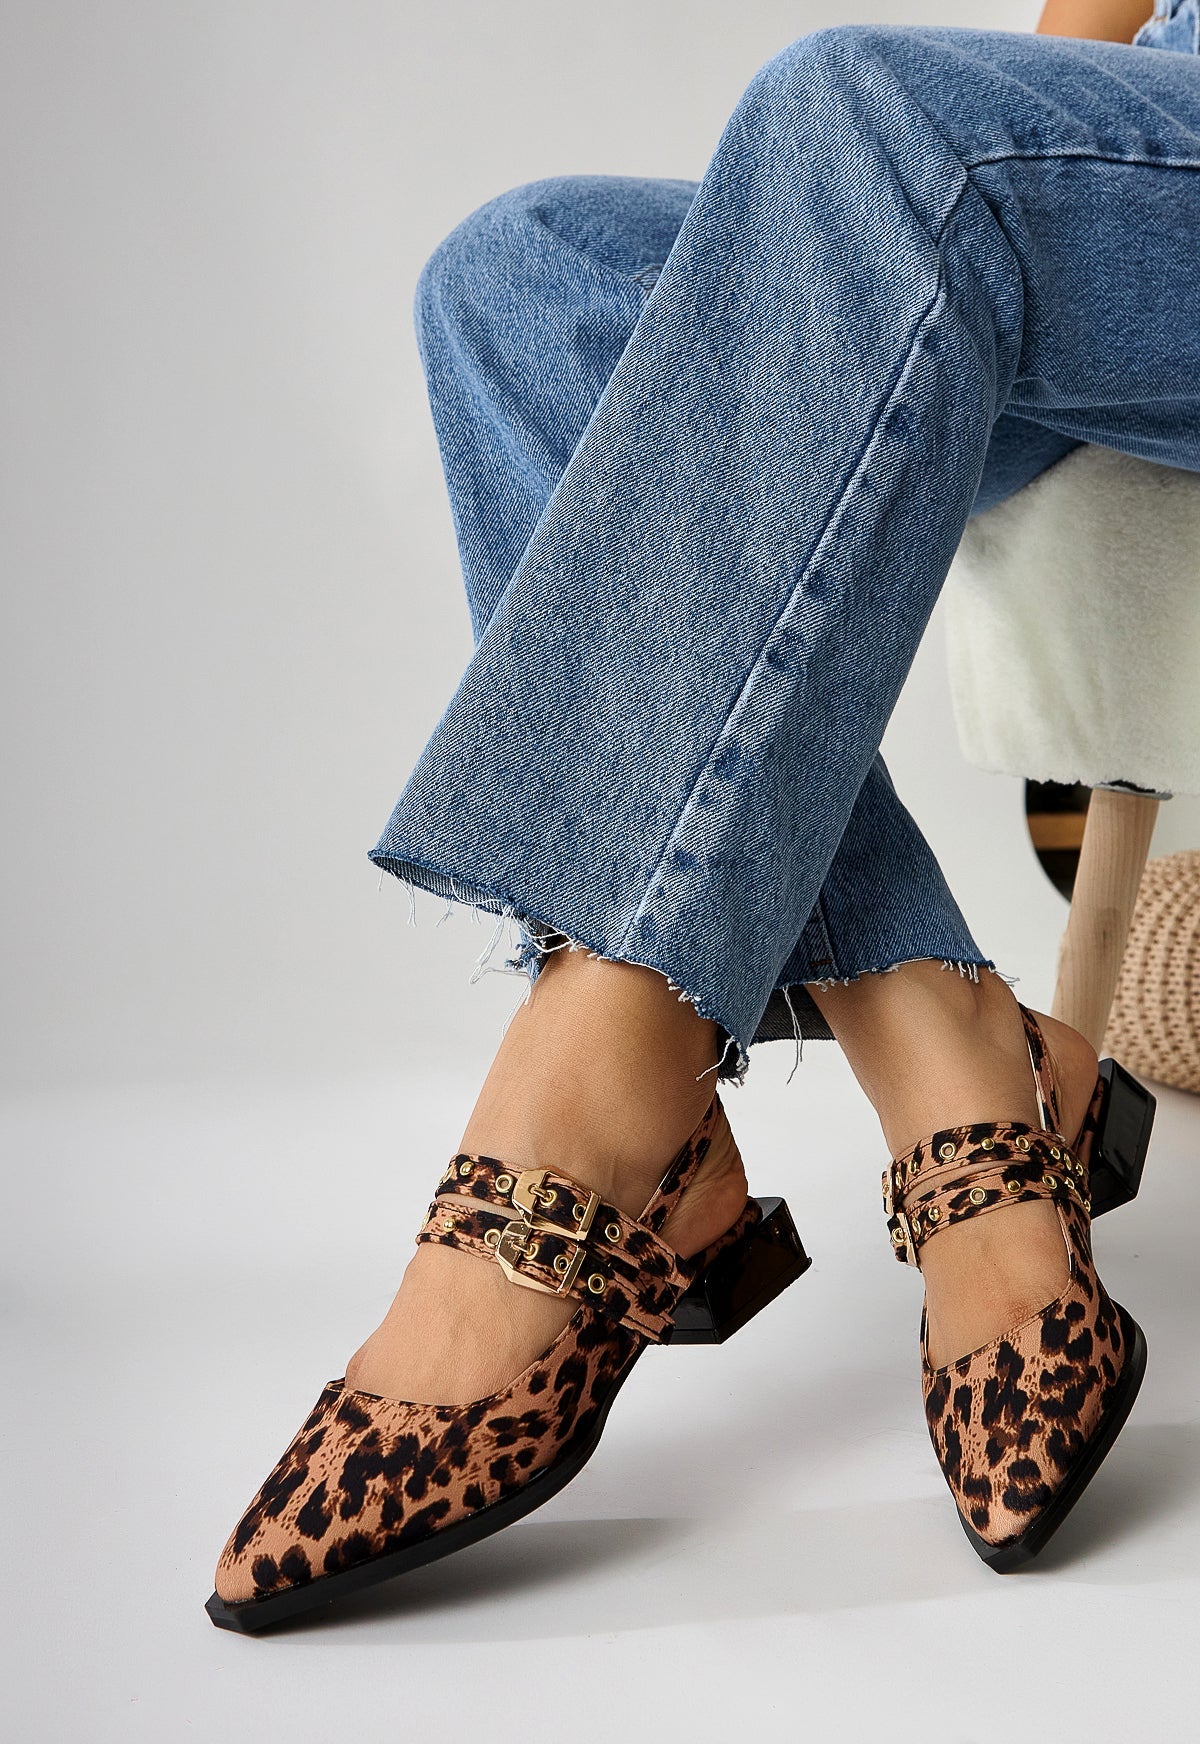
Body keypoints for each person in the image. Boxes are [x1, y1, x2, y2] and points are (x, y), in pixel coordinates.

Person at [206, 0, 1199, 1630]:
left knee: (865, 113)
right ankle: (945, 1045)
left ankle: (591, 1115)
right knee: (526, 279)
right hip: (1141, 147)